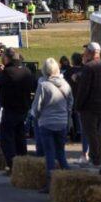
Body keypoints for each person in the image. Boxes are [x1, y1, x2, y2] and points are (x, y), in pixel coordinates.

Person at [0, 48, 35, 175]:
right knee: (20, 138)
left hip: (10, 109)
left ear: (7, 58)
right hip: (23, 109)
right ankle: (23, 164)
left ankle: (11, 165)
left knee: (6, 139)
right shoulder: (26, 71)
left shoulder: (8, 72)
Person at [31, 57, 73, 192]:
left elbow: (37, 106)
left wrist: (36, 117)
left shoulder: (43, 86)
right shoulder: (66, 85)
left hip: (47, 122)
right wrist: (65, 113)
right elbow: (70, 102)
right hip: (62, 122)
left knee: (49, 153)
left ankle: (51, 183)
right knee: (61, 153)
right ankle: (68, 180)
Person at [74, 42, 101, 168]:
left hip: (89, 106)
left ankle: (95, 158)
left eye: (86, 51)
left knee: (91, 133)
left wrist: (78, 105)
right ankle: (98, 157)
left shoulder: (88, 67)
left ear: (90, 52)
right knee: (98, 132)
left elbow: (83, 90)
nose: (84, 54)